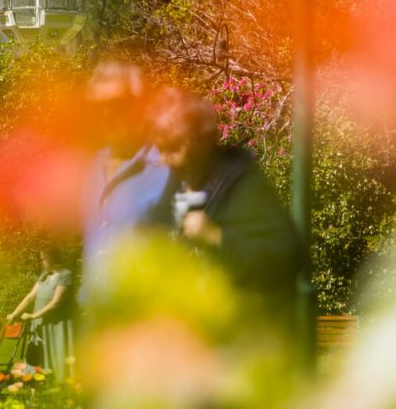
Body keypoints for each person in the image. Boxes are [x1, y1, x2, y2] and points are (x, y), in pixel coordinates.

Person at [148, 88, 300, 311]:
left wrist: (217, 237)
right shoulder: (172, 189)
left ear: (201, 142)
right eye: (160, 149)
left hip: (238, 323)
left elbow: (286, 257)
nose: (164, 160)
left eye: (172, 148)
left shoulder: (243, 186)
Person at [81, 58, 171, 301]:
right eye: (98, 106)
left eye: (118, 105)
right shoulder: (89, 168)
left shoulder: (166, 169)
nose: (107, 115)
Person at [5, 247, 71, 371]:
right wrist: (14, 314)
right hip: (39, 323)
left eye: (43, 259)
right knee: (34, 354)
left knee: (53, 357)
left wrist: (33, 316)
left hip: (54, 323)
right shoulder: (45, 275)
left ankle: (54, 380)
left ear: (51, 259)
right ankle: (31, 379)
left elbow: (56, 302)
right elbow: (30, 296)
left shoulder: (65, 275)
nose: (42, 262)